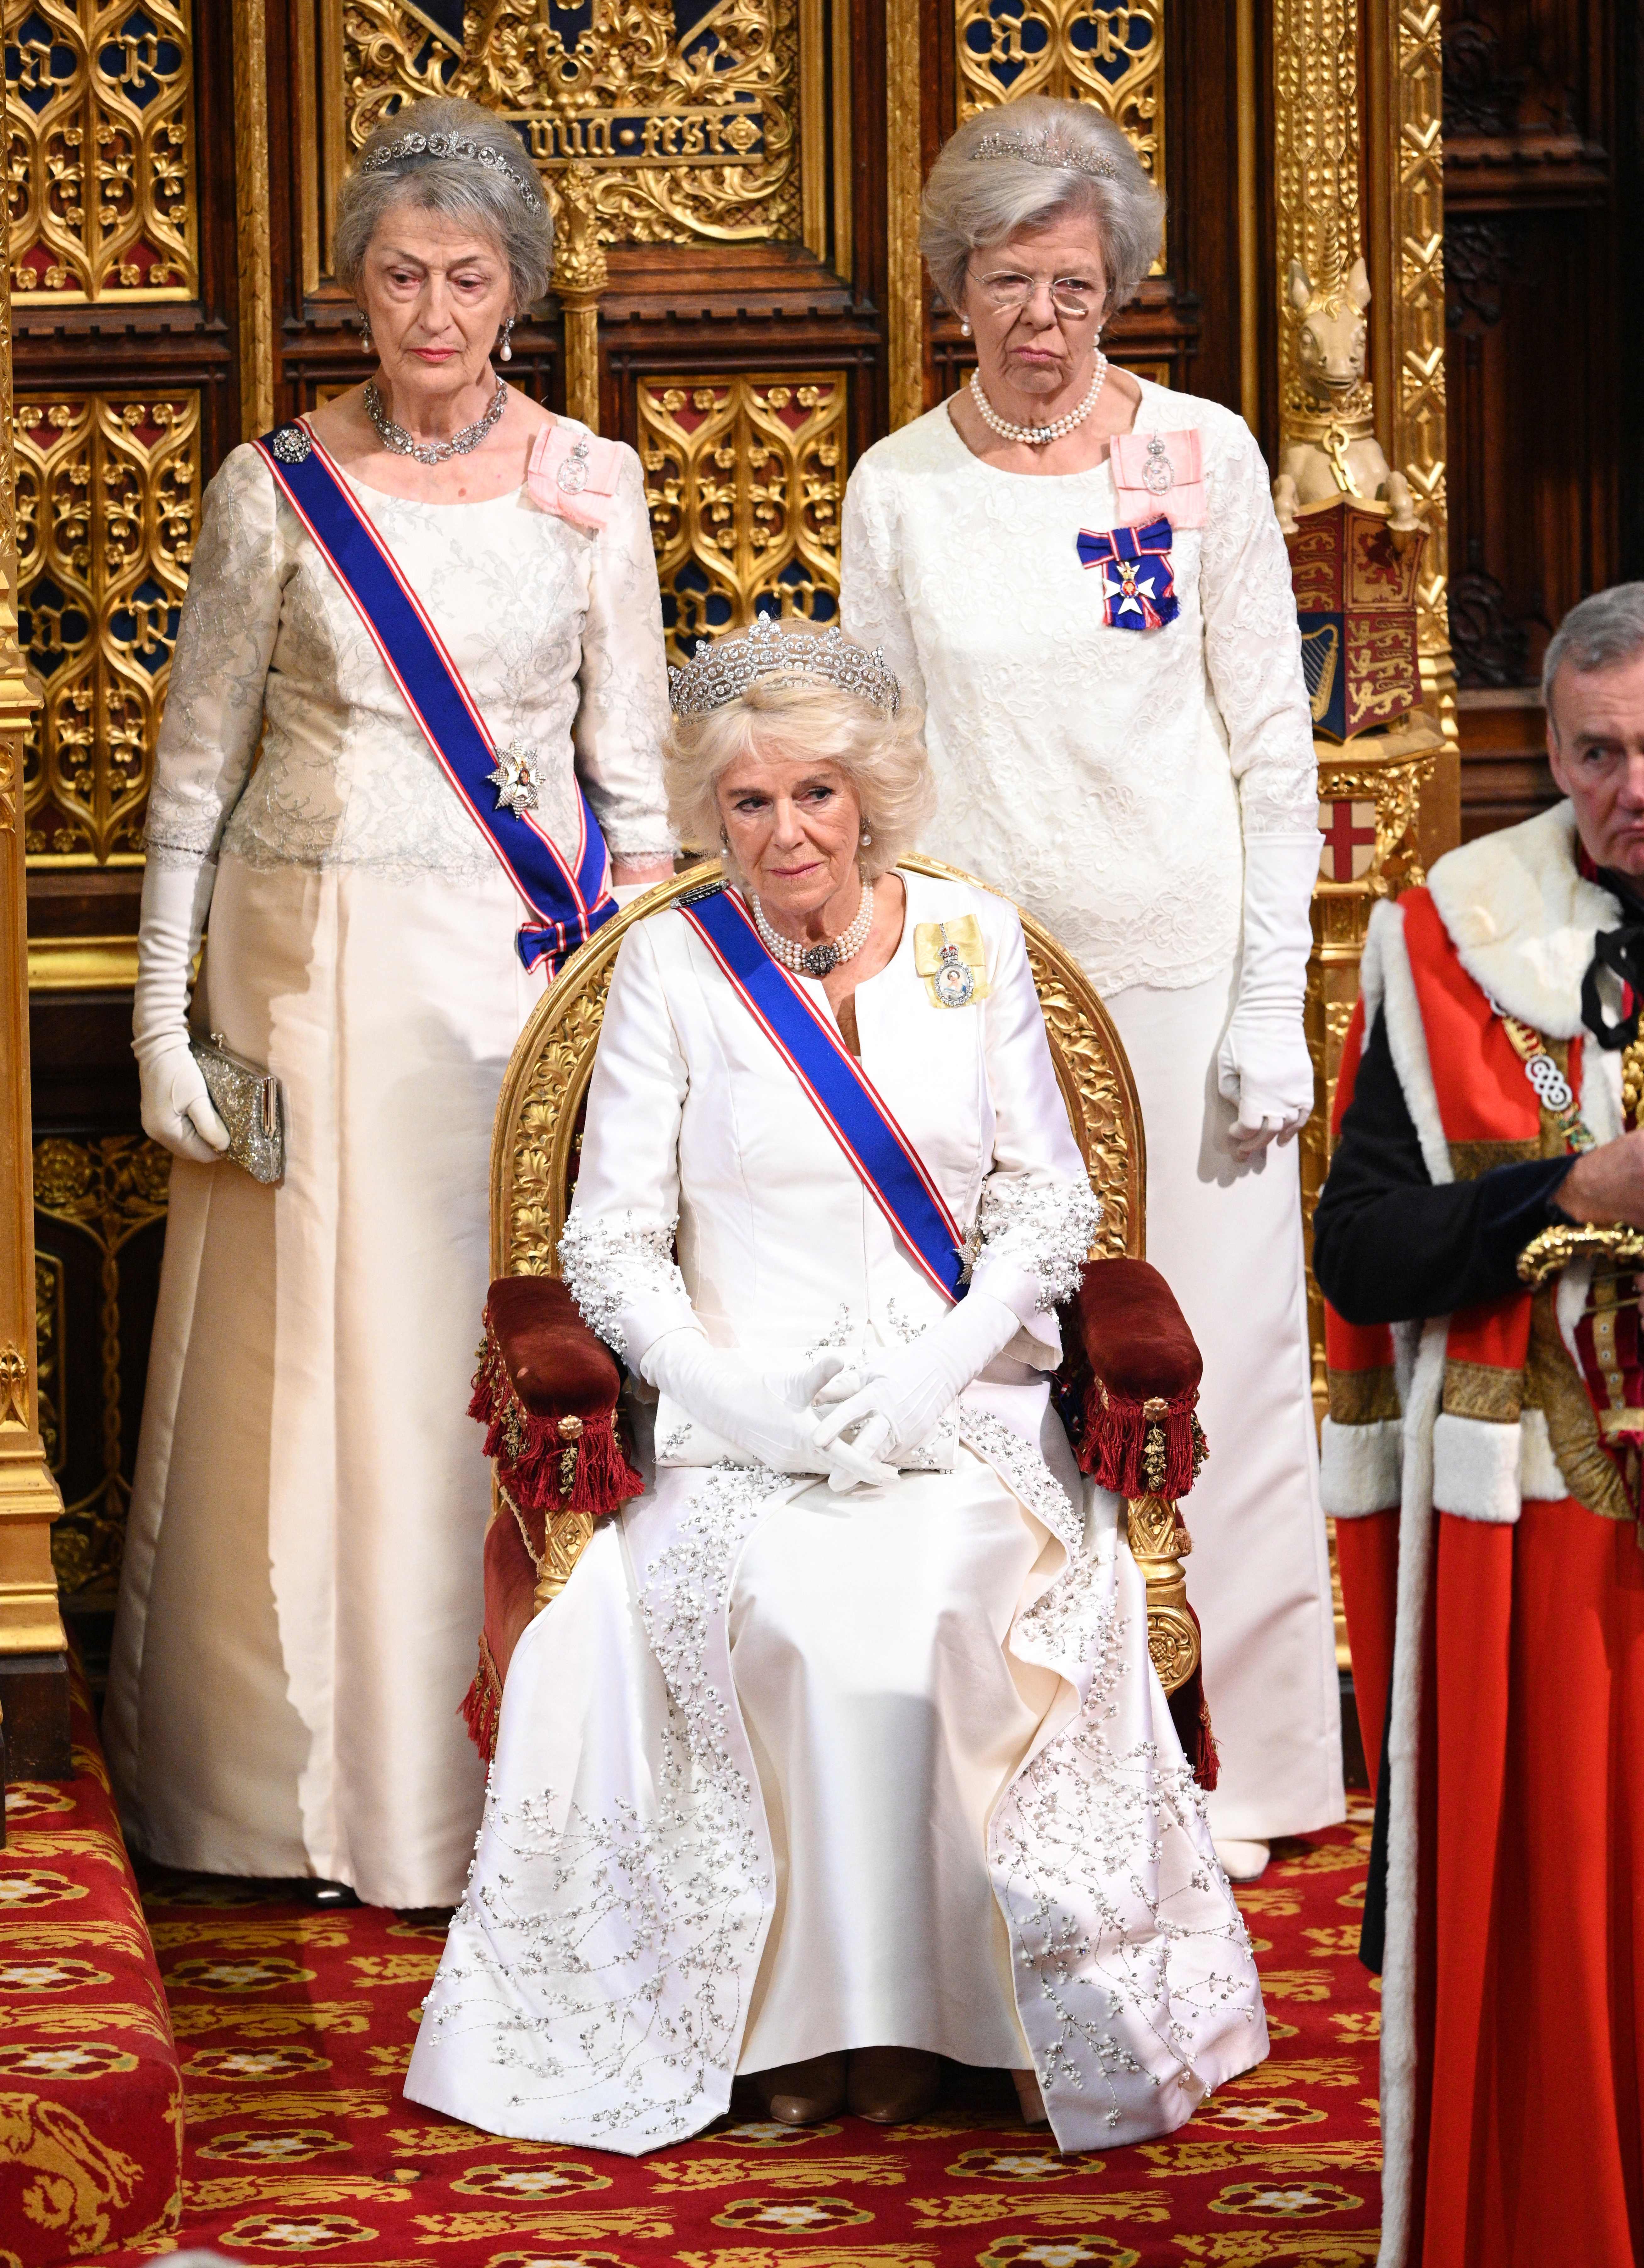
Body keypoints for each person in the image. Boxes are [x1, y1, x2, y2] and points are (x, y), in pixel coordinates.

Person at [404, 616, 1265, 2151]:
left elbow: (1047, 1204)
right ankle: (797, 2025)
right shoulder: (672, 964)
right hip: (745, 1426)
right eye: (747, 803)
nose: (785, 830)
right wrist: (726, 1399)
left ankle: (967, 2017)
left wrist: (945, 1360)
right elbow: (606, 1242)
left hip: (967, 1415)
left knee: (944, 1600)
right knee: (787, 1613)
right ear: (711, 815)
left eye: (814, 794)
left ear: (869, 796)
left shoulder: (970, 943)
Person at [104, 96, 674, 1910]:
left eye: (469, 278)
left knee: (476, 1356)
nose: (433, 311)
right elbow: (191, 773)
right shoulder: (273, 488)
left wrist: (655, 1037)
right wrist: (157, 1023)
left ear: (520, 292)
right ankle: (280, 1793)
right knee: (300, 1364)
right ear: (355, 289)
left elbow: (641, 787)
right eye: (400, 276)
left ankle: (496, 1773)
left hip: (514, 985)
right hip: (300, 970)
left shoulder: (592, 482)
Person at [839, 96, 1338, 1877]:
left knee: (1220, 1371)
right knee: (1009, 1377)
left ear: (1118, 282)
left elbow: (1274, 750)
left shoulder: (1204, 458)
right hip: (987, 986)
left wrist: (1271, 996)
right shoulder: (896, 486)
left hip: (1190, 976)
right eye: (1003, 282)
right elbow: (871, 765)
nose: (1039, 318)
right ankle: (1037, 1772)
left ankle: (1261, 1773)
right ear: (952, 293)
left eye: (1070, 283)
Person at [1314, 584, 1644, 2268]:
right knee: (1572, 1911)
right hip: (1555, 1536)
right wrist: (1572, 1190)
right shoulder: (1455, 932)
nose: (1633, 787)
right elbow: (1360, 1252)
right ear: (1550, 748)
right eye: (1596, 754)